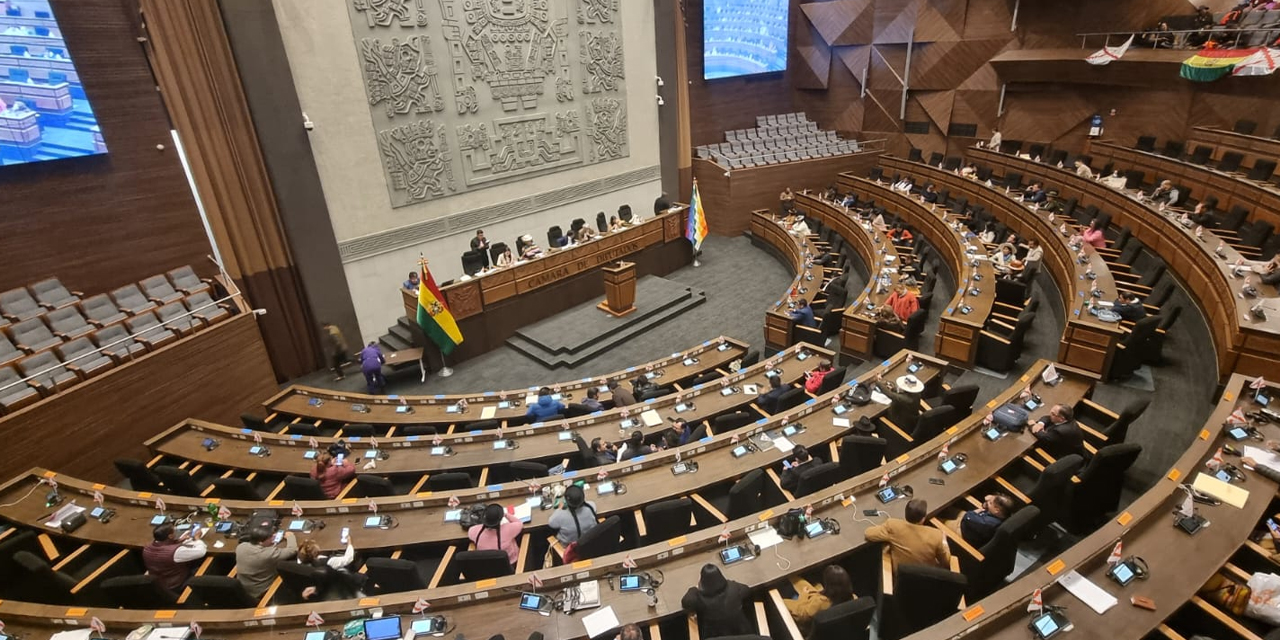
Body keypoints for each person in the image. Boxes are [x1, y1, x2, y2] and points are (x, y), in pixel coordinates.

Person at [865, 499, 950, 572]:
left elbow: (868, 533)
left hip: (901, 579)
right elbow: (946, 562)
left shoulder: (893, 525)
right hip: (927, 578)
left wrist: (885, 530)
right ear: (923, 518)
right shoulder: (936, 535)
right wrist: (944, 541)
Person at [681, 564, 752, 638]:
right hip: (742, 634)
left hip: (714, 636)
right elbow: (747, 590)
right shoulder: (734, 587)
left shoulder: (699, 597)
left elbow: (686, 603)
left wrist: (695, 589)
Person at [784, 565, 855, 634]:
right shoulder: (854, 599)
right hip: (836, 629)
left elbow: (801, 615)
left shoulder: (820, 604)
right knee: (800, 581)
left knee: (785, 597)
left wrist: (803, 596)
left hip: (806, 624)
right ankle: (790, 575)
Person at [143, 523, 208, 593]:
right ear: (170, 536)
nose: (176, 532)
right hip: (176, 585)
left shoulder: (147, 548)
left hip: (158, 584)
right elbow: (201, 552)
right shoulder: (176, 552)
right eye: (174, 531)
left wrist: (178, 541)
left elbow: (163, 546)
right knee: (201, 562)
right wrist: (197, 538)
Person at [236, 526, 298, 599]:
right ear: (260, 542)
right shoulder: (268, 554)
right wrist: (291, 536)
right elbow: (292, 550)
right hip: (261, 591)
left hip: (244, 586)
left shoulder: (241, 546)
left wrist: (271, 543)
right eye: (270, 537)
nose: (274, 537)